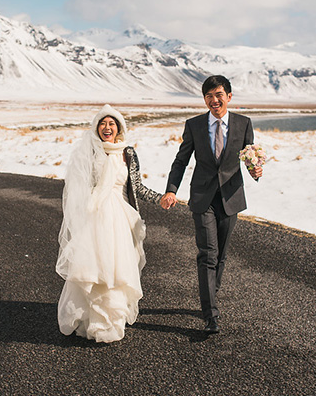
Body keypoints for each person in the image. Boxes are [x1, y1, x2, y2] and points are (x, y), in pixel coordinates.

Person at [160, 75, 263, 335]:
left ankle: (210, 297)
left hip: (231, 197)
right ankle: (211, 315)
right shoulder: (194, 125)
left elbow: (248, 155)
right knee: (207, 253)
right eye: (209, 96)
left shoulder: (243, 124)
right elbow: (181, 161)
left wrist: (255, 169)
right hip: (202, 197)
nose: (214, 100)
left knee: (221, 255)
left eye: (219, 95)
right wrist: (171, 190)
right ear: (204, 99)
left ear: (229, 97)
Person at [56, 104, 163, 343]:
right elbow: (77, 188)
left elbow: (137, 187)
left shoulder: (128, 154)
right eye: (103, 123)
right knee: (94, 271)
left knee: (117, 270)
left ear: (119, 128)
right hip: (94, 220)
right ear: (97, 128)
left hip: (120, 220)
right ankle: (89, 320)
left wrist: (161, 198)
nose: (107, 128)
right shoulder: (91, 152)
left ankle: (111, 322)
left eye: (112, 123)